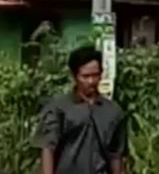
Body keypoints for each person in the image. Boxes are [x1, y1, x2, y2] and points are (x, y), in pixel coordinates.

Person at [33, 45, 127, 174]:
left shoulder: (113, 111)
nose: (91, 81)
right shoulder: (59, 107)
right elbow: (48, 148)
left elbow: (116, 155)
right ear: (75, 76)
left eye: (95, 75)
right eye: (85, 76)